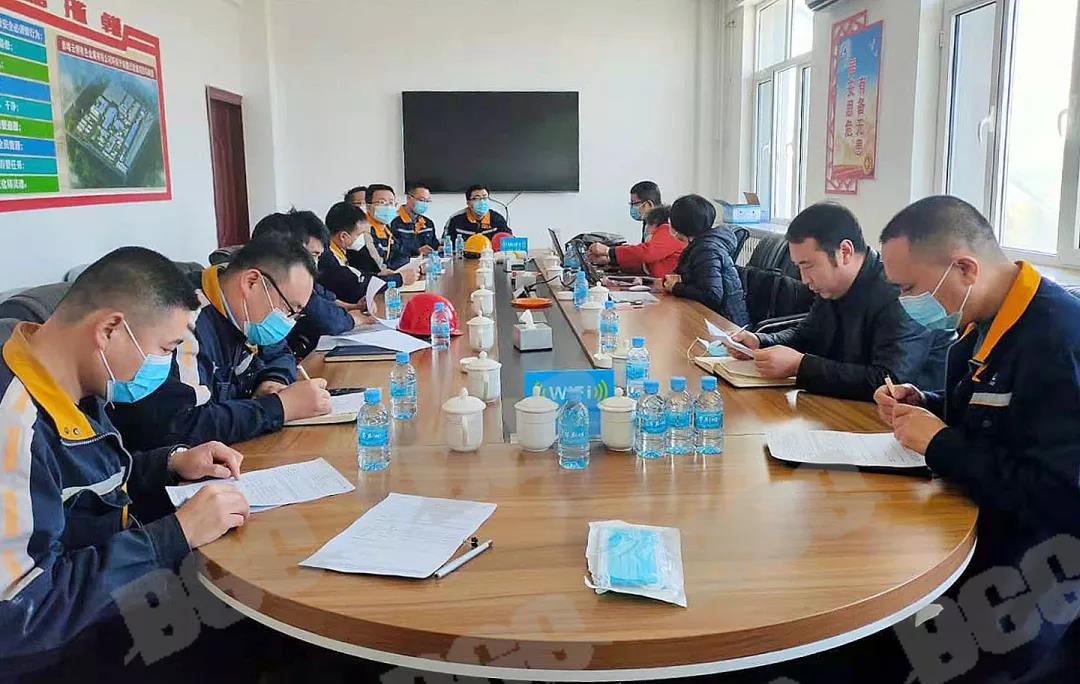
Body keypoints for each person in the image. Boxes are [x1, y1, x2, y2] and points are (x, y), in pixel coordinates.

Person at [0, 247, 250, 660]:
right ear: (110, 329)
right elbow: (21, 613)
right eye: (166, 348)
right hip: (54, 651)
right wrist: (176, 534)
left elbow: (86, 490)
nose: (166, 365)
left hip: (97, 594)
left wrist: (170, 463)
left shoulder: (69, 381)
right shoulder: (14, 427)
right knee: (248, 629)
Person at [872, 196, 1080, 680]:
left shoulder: (1059, 341)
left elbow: (1062, 496)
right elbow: (998, 416)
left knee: (912, 649)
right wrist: (926, 403)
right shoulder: (983, 319)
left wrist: (941, 443)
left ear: (964, 268)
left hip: (1043, 556)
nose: (905, 302)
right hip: (979, 520)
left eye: (910, 288)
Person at [108, 236, 331, 450]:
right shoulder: (183, 318)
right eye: (288, 309)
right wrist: (280, 407)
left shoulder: (246, 316)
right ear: (252, 282)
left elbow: (280, 352)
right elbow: (181, 426)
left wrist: (272, 381)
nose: (287, 320)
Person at [726, 203, 943, 401]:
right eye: (798, 267)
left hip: (895, 418)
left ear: (844, 252)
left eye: (808, 266)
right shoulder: (831, 286)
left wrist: (800, 366)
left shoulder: (900, 293)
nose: (804, 279)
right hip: (839, 406)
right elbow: (806, 336)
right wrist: (760, 341)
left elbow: (889, 381)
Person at [251, 210, 372, 355]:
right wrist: (352, 319)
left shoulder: (297, 281)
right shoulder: (275, 287)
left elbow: (278, 354)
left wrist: (352, 307)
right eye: (313, 254)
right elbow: (327, 318)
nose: (312, 262)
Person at [660, 194, 749, 326]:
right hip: (710, 316)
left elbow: (712, 295)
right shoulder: (700, 245)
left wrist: (676, 287)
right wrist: (677, 280)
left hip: (725, 323)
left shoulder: (707, 250)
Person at [588, 206, 684, 280]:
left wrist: (608, 251)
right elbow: (645, 263)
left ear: (654, 223)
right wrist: (610, 260)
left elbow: (647, 253)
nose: (647, 229)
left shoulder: (666, 229)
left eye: (648, 225)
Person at [350, 183, 411, 272]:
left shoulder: (388, 229)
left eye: (391, 203)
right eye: (382, 202)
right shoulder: (362, 231)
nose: (388, 207)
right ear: (368, 207)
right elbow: (378, 267)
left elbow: (403, 255)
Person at [443, 184, 511, 244]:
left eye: (485, 198)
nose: (482, 202)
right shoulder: (456, 219)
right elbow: (445, 243)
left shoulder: (497, 219)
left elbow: (510, 241)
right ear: (468, 203)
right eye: (477, 198)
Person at [392, 182, 440, 258]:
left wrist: (439, 248)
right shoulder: (393, 222)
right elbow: (392, 250)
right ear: (408, 198)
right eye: (421, 200)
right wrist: (416, 252)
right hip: (404, 263)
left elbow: (434, 245)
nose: (424, 204)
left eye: (427, 201)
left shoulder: (428, 223)